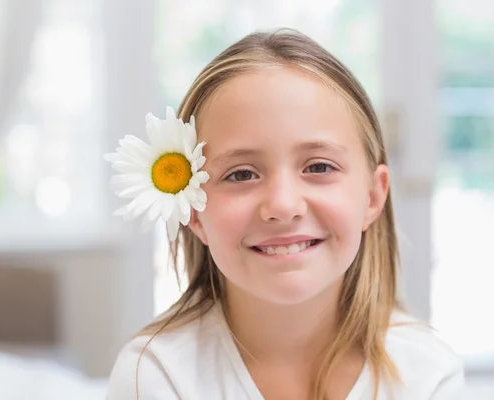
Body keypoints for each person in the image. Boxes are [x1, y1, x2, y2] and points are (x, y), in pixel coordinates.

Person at [106, 29, 464, 400]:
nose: (283, 205)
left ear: (373, 196)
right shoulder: (155, 376)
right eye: (242, 174)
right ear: (193, 212)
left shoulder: (427, 373)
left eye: (319, 167)